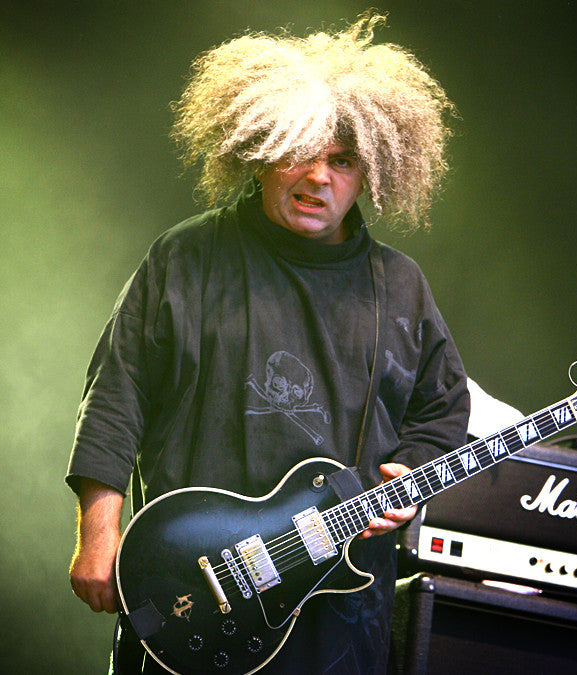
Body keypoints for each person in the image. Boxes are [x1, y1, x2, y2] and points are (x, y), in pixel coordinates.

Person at [67, 12, 470, 674]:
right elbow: (117, 395)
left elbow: (443, 408)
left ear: (372, 172)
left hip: (338, 613)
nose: (319, 178)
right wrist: (98, 533)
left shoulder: (400, 287)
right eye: (300, 151)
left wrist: (414, 471)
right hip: (193, 591)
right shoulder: (187, 256)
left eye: (342, 161)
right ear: (258, 147)